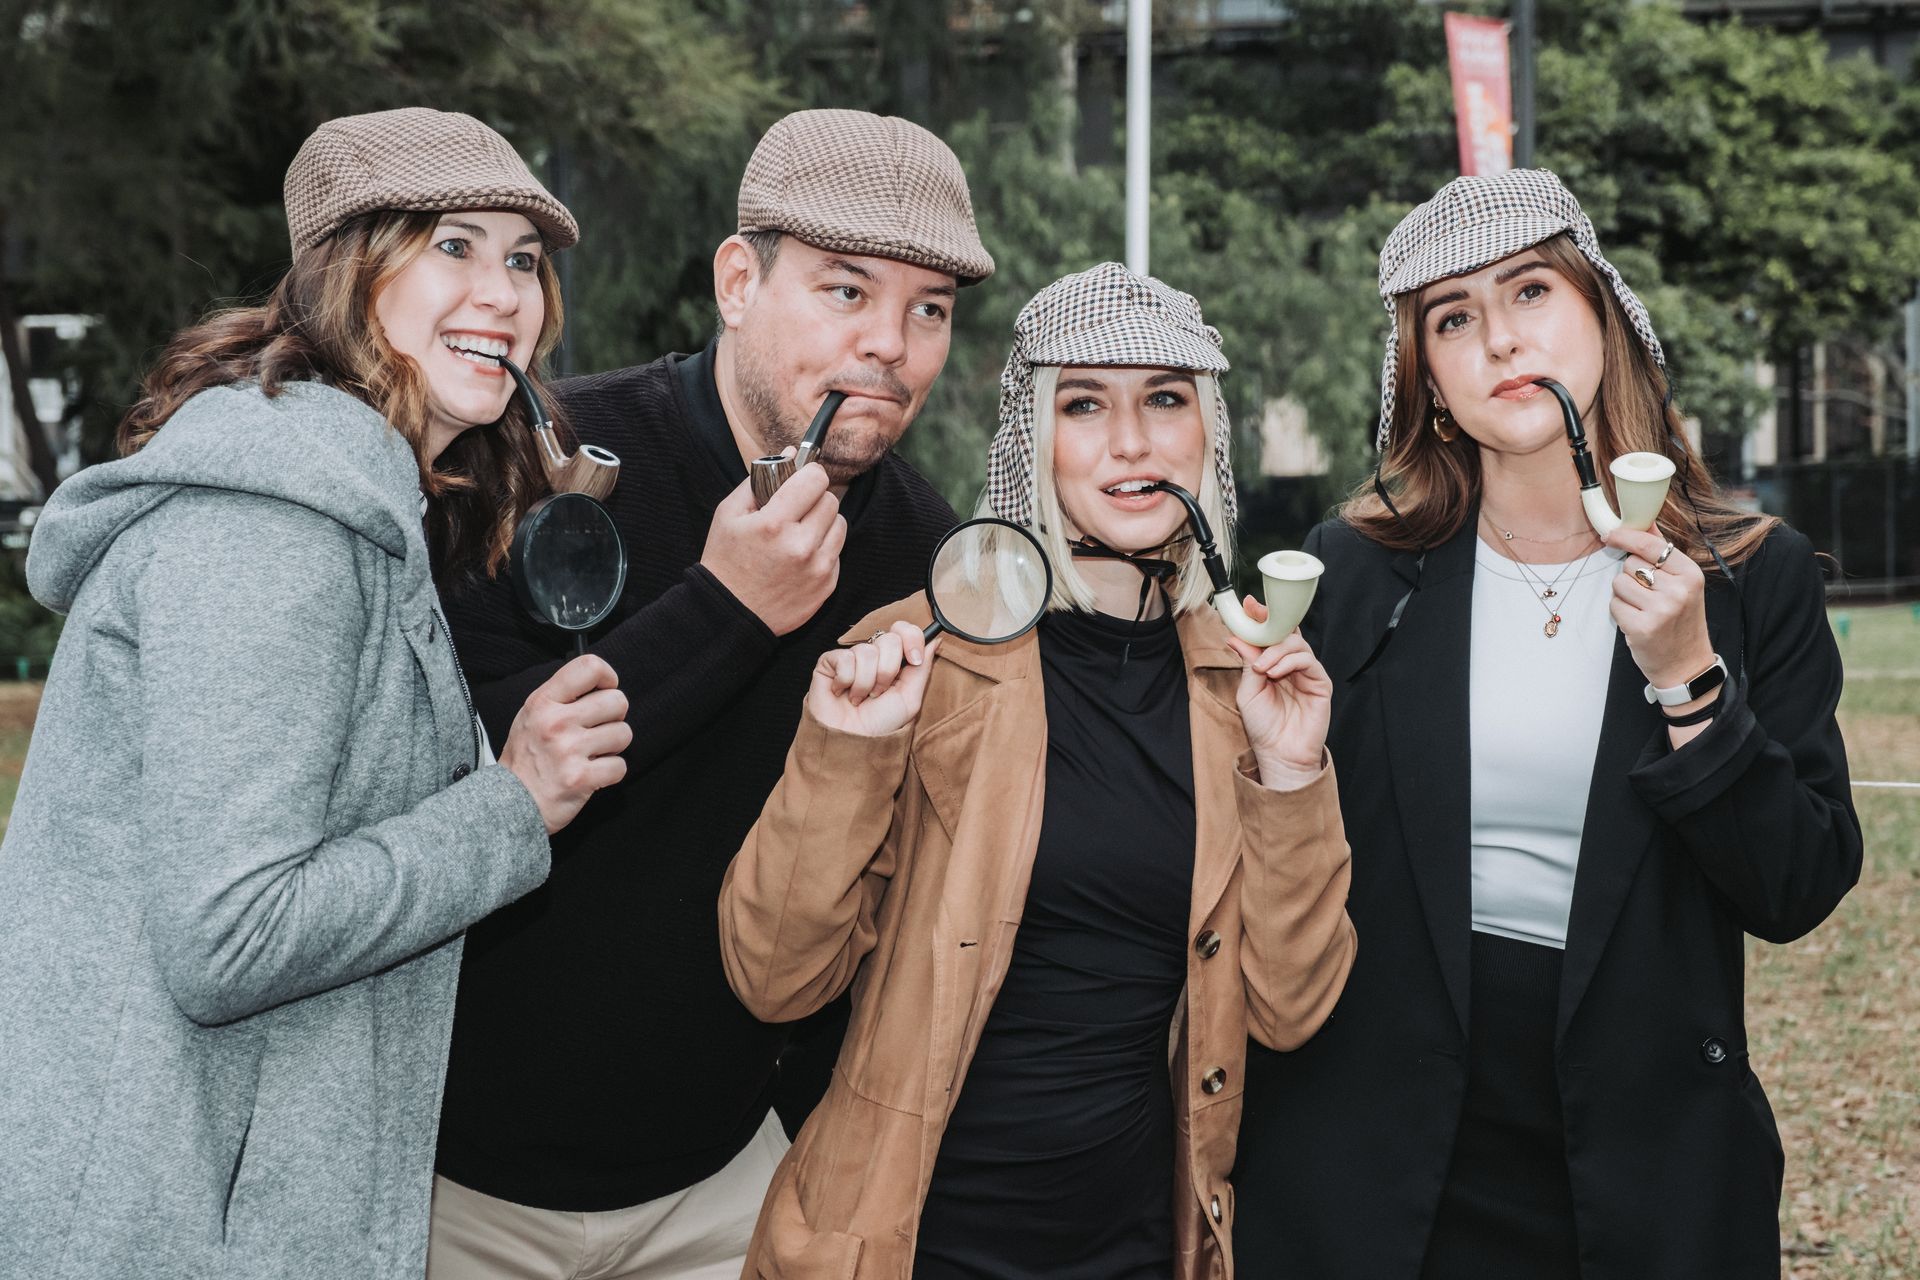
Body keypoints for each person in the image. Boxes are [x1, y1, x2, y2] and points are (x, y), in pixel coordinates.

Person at [0, 108, 630, 1280]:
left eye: (525, 260)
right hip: (168, 1224)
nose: (506, 294)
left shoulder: (362, 508)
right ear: (348, 272)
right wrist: (510, 803)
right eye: (453, 245)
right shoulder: (270, 530)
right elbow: (230, 934)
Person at [1231, 168, 1862, 1279]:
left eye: (1530, 292)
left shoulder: (1749, 576)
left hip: (1644, 1149)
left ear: (1603, 318)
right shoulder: (1355, 571)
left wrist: (1687, 682)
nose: (1499, 340)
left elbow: (1797, 884)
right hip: (1376, 1142)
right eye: (1455, 318)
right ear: (1425, 377)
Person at [427, 108, 991, 1278]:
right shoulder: (533, 462)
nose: (889, 344)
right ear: (739, 280)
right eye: (847, 290)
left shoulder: (924, 554)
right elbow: (457, 778)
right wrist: (728, 605)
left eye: (928, 307)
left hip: (726, 1183)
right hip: (455, 1179)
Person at [718, 262, 1357, 1279]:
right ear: (1033, 440)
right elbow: (776, 975)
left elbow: (1291, 1005)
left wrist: (1291, 774)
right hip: (906, 1246)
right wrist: (848, 748)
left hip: (1143, 1249)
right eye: (1086, 404)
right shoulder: (921, 654)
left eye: (1165, 399)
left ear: (1209, 432)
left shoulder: (1250, 683)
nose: (1133, 440)